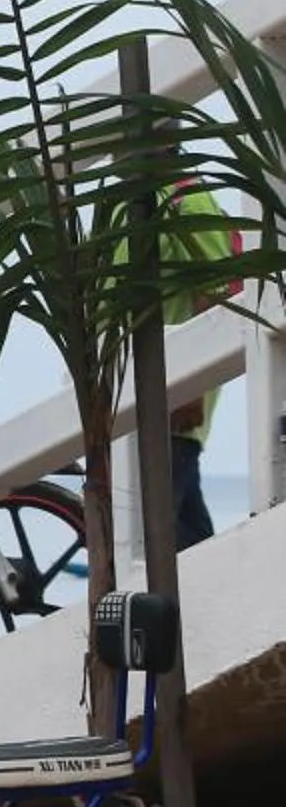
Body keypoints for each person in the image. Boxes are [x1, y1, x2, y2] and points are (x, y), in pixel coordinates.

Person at [164, 181, 242, 551]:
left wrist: (190, 388)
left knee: (153, 537)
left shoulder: (186, 200)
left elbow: (217, 290)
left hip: (167, 403)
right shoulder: (130, 198)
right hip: (135, 404)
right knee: (192, 542)